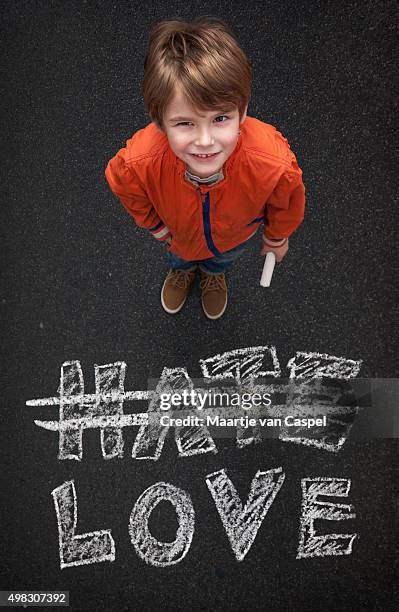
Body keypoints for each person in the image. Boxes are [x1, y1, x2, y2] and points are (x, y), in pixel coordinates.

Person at [105, 16, 305, 319]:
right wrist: (157, 229)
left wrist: (277, 236)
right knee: (181, 257)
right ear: (159, 122)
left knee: (222, 258)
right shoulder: (139, 162)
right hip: (180, 237)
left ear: (243, 110)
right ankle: (183, 270)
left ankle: (214, 273)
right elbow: (125, 186)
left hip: (234, 237)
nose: (205, 140)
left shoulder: (271, 161)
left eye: (220, 119)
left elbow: (285, 201)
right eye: (185, 123)